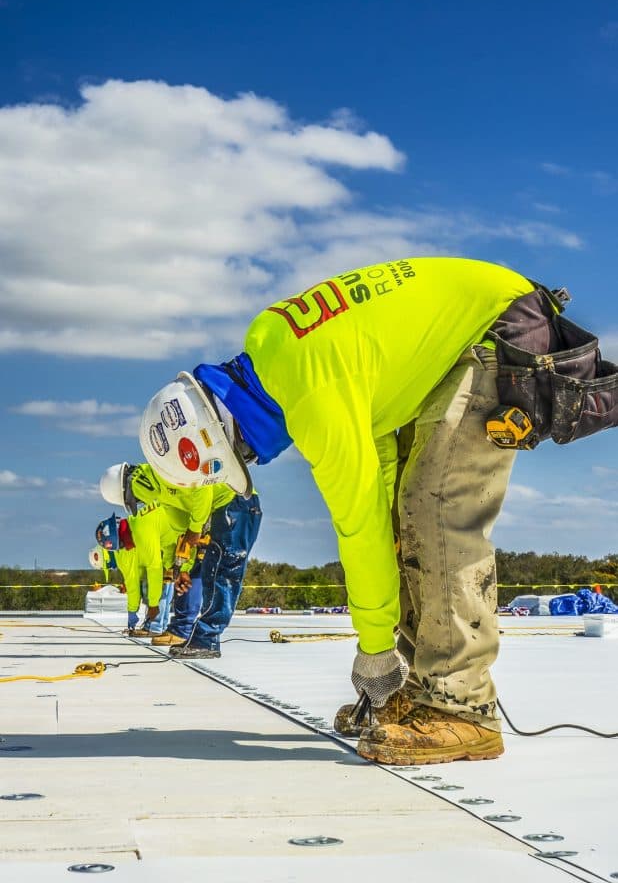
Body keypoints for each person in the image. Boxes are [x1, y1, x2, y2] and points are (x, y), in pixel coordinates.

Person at [137, 256, 617, 765]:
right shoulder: (273, 348)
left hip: (496, 329)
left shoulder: (310, 398)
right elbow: (379, 448)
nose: (256, 458)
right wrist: (384, 644)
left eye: (244, 455)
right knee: (404, 517)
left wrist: (373, 649)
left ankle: (462, 706)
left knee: (437, 511)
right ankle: (422, 686)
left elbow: (358, 528)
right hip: (467, 333)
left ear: (228, 435)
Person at [99, 462, 262, 656]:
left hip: (236, 502)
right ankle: (204, 638)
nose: (141, 502)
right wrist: (181, 568)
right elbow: (179, 530)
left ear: (135, 484)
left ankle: (206, 639)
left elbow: (202, 488)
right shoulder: (162, 494)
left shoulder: (168, 469)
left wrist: (195, 529)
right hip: (224, 509)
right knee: (211, 573)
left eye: (136, 498)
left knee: (223, 574)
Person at [95, 504, 178, 634]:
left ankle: (155, 627)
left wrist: (151, 605)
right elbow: (133, 582)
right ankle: (157, 626)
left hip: (179, 540)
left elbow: (152, 570)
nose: (121, 547)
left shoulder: (141, 533)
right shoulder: (133, 526)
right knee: (156, 588)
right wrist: (132, 610)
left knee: (154, 589)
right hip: (169, 550)